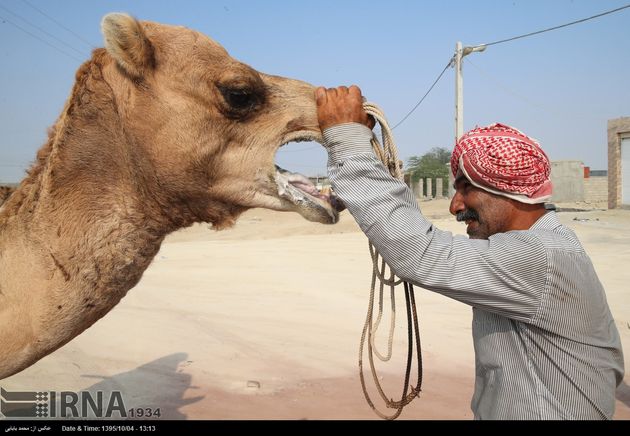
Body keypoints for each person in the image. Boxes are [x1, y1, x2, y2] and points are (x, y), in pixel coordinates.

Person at [315, 85, 624, 420]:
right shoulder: (536, 248)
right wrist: (365, 188)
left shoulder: (540, 257)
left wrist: (346, 136)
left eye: (466, 189)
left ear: (506, 190)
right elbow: (418, 237)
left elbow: (422, 252)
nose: (454, 206)